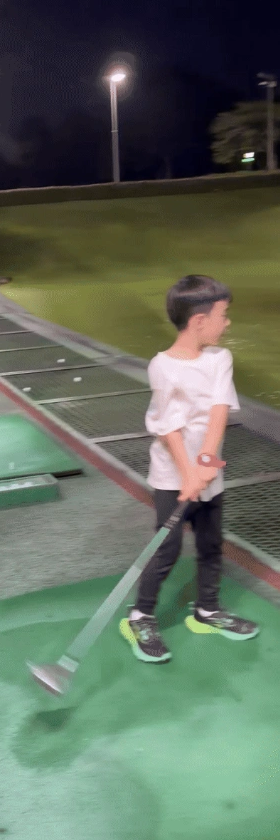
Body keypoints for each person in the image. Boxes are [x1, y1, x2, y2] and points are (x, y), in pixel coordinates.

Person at [121, 274, 259, 664]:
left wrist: (206, 467)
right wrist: (187, 473)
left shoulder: (220, 359)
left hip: (208, 472)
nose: (227, 323)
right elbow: (169, 427)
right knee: (166, 549)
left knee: (211, 544)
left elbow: (218, 414)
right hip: (171, 475)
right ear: (200, 320)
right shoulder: (162, 367)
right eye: (223, 315)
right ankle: (140, 615)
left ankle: (207, 609)